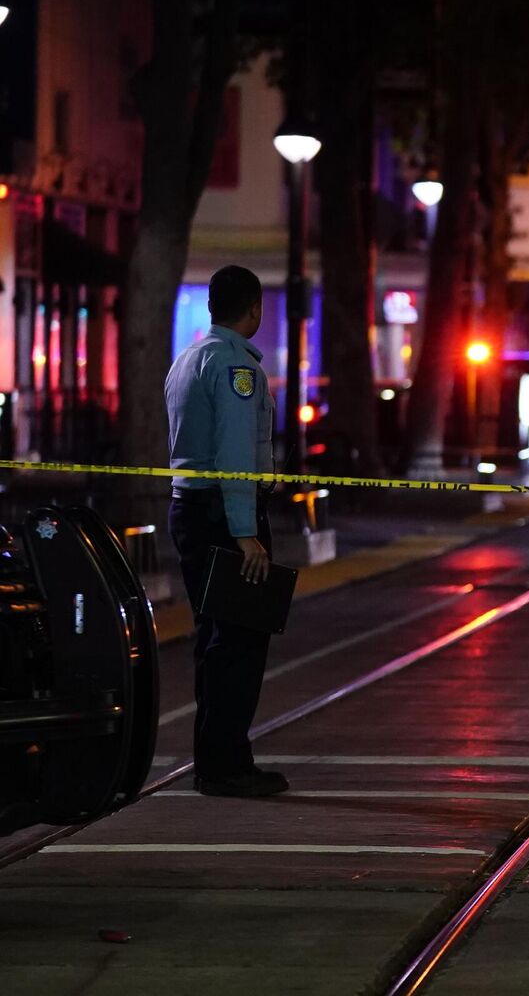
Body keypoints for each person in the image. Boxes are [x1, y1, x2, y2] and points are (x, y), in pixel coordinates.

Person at [164, 265, 286, 798]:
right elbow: (235, 454)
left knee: (213, 640)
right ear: (253, 308)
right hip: (223, 515)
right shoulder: (237, 366)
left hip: (189, 509)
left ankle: (215, 758)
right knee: (239, 640)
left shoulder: (187, 359)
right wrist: (245, 532)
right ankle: (227, 764)